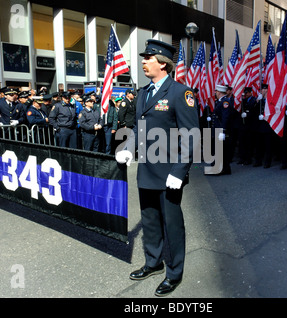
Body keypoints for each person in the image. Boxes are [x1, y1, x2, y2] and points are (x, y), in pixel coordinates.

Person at [115, 39, 199, 297]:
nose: (143, 61)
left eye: (148, 58)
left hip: (169, 173)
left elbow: (191, 135)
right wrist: (128, 146)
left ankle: (174, 272)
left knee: (172, 224)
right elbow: (140, 127)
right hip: (147, 170)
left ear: (163, 64)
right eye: (144, 57)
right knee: (150, 220)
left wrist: (179, 170)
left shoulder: (180, 93)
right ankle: (153, 262)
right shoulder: (143, 93)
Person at [210, 84, 233, 175]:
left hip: (221, 130)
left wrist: (223, 131)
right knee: (219, 150)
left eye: (216, 91)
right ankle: (224, 169)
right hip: (217, 129)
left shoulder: (225, 102)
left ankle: (223, 169)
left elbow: (225, 117)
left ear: (219, 92)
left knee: (221, 150)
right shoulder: (220, 101)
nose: (215, 93)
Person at [237, 87, 258, 165]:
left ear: (250, 93)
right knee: (242, 143)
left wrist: (247, 114)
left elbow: (254, 111)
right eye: (245, 93)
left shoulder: (254, 101)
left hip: (250, 125)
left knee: (249, 143)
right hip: (243, 125)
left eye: (247, 93)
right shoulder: (243, 100)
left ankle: (248, 159)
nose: (245, 94)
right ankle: (242, 158)